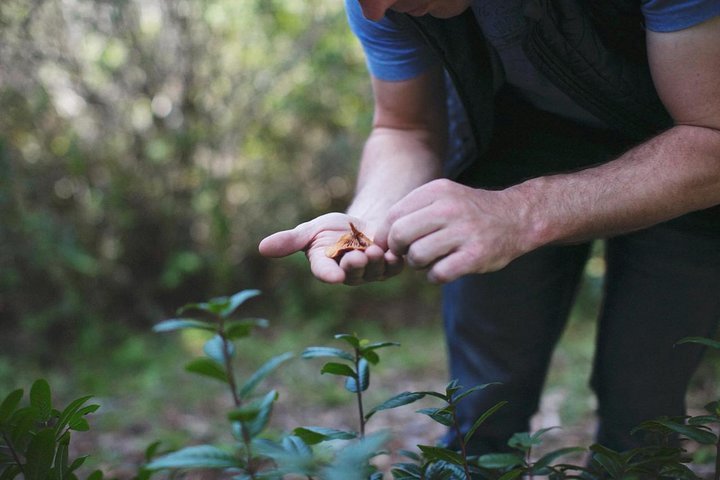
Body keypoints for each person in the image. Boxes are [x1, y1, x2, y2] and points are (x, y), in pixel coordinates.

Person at [259, 0, 720, 455]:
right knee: (482, 406)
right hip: (508, 142)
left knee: (644, 411)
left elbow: (712, 139)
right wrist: (368, 221)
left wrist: (523, 213)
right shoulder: (382, 5)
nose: (376, 12)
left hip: (684, 160)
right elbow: (406, 127)